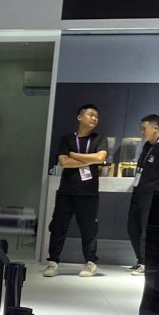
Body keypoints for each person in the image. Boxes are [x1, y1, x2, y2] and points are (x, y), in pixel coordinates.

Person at [43, 103, 108, 278]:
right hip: (67, 191)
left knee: (88, 229)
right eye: (90, 114)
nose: (94, 118)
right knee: (58, 227)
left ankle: (91, 263)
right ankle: (53, 262)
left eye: (96, 116)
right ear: (80, 117)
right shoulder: (67, 139)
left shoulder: (99, 139)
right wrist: (90, 160)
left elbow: (101, 158)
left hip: (88, 193)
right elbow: (63, 162)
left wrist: (75, 155)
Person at [128, 113, 159, 276]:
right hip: (139, 193)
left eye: (144, 129)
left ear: (155, 128)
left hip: (153, 196)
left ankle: (146, 262)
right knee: (132, 227)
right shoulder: (147, 145)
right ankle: (139, 259)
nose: (141, 132)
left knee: (146, 231)